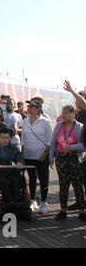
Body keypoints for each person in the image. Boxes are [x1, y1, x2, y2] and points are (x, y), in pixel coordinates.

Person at [49, 105, 85, 222]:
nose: (63, 115)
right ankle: (63, 211)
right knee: (63, 185)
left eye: (66, 113)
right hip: (61, 159)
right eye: (62, 112)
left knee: (78, 185)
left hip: (75, 158)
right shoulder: (59, 125)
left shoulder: (80, 127)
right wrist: (51, 157)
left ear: (73, 114)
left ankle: (82, 211)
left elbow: (84, 145)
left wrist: (72, 147)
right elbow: (54, 142)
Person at [21, 99, 53, 213]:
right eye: (28, 106)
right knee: (32, 178)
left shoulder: (45, 121)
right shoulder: (25, 121)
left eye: (31, 107)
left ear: (38, 109)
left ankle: (44, 202)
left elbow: (50, 139)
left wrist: (45, 153)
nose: (28, 108)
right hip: (28, 155)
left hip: (41, 155)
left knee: (43, 178)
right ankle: (33, 200)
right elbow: (23, 139)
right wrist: (22, 153)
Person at [61, 80, 86, 211]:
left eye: (78, 101)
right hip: (81, 153)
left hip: (80, 150)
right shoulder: (79, 113)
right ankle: (80, 203)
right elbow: (60, 120)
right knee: (80, 181)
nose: (76, 104)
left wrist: (72, 91)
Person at [0, 127, 25, 203]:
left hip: (11, 171)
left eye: (7, 138)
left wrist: (19, 162)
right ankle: (6, 203)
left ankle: (17, 202)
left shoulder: (13, 148)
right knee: (5, 182)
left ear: (10, 138)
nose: (5, 140)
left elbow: (19, 156)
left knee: (17, 180)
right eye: (2, 137)